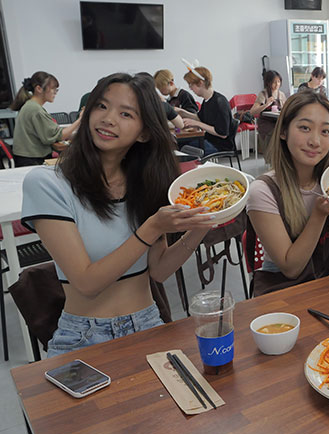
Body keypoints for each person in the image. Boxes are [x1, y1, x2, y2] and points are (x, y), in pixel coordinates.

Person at [20, 73, 213, 357]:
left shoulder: (146, 183)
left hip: (148, 323)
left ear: (144, 132)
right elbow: (86, 283)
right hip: (83, 336)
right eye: (101, 106)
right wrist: (152, 227)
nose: (108, 119)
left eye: (125, 113)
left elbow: (158, 270)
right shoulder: (47, 184)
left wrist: (203, 223)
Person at [246, 90, 329, 295]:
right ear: (283, 132)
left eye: (325, 131)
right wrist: (319, 215)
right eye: (305, 128)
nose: (315, 141)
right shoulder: (263, 191)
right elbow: (291, 268)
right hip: (284, 291)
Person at [10, 71, 81, 166]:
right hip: (32, 161)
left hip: (26, 158)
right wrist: (80, 119)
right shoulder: (35, 109)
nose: (55, 93)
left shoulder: (31, 106)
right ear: (39, 89)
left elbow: (53, 132)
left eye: (56, 89)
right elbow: (59, 135)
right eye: (53, 89)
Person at [180, 66, 234, 155]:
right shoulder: (207, 100)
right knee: (181, 144)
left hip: (219, 145)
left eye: (191, 84)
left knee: (183, 148)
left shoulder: (220, 102)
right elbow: (200, 118)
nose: (190, 88)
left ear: (201, 83)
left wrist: (196, 123)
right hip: (209, 140)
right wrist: (182, 113)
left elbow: (222, 133)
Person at [250, 70, 288, 156]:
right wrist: (266, 104)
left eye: (278, 81)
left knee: (287, 131)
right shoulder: (263, 94)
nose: (277, 84)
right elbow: (252, 111)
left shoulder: (281, 94)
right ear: (268, 83)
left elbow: (286, 108)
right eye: (274, 82)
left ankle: (283, 158)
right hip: (266, 122)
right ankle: (272, 158)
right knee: (275, 132)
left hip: (278, 121)